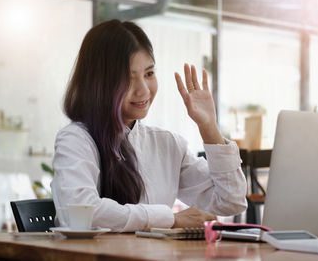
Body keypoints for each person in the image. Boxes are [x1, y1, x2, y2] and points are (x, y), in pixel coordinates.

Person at [51, 19, 247, 232]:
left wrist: (209, 127)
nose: (143, 90)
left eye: (149, 74)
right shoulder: (76, 139)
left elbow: (231, 201)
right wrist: (169, 219)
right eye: (127, 78)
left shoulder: (167, 144)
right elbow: (80, 213)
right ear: (99, 83)